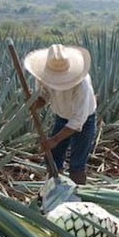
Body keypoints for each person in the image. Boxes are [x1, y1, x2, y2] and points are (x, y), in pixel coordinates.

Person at [24, 43, 97, 185]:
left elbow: (77, 121)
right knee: (53, 158)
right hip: (62, 117)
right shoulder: (43, 75)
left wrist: (54, 140)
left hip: (85, 119)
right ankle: (55, 191)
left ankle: (78, 200)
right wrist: (34, 103)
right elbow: (44, 96)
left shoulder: (82, 83)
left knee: (77, 164)